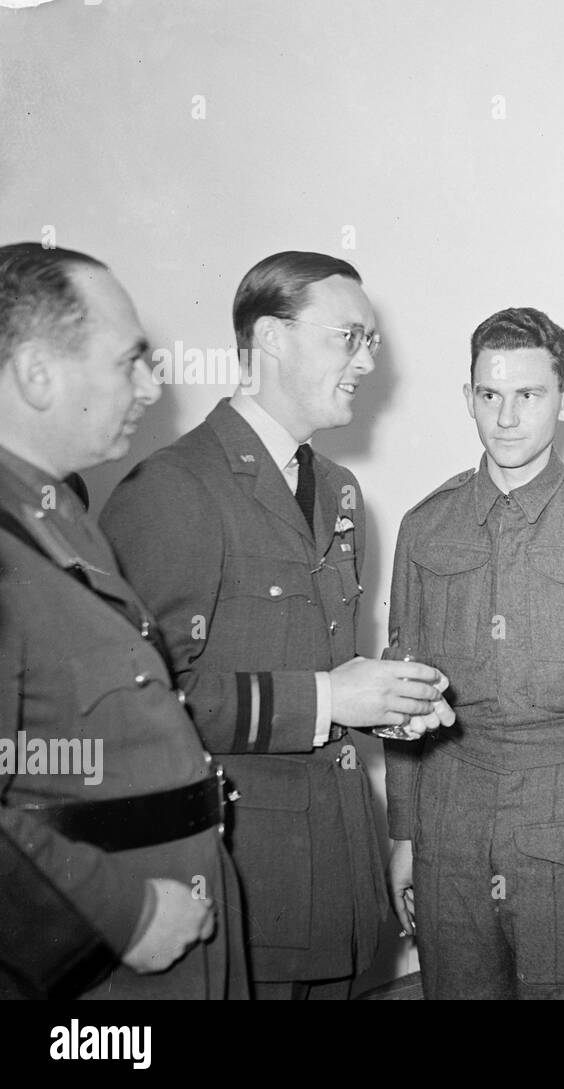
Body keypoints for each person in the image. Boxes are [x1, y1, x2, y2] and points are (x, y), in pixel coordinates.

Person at [101, 251, 446, 1000]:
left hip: (342, 890)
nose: (366, 362)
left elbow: (322, 662)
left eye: (372, 342)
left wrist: (391, 703)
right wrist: (329, 699)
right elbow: (141, 709)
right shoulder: (176, 487)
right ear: (270, 340)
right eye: (347, 337)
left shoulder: (341, 488)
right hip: (247, 889)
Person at [384, 306, 564, 999]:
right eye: (490, 395)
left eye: (529, 395)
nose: (506, 417)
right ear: (468, 399)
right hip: (451, 820)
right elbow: (404, 690)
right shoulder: (427, 524)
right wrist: (404, 834)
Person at [0, 242, 243, 999]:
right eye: (128, 361)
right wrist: (125, 914)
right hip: (107, 966)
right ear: (39, 374)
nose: (150, 385)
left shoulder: (53, 511)